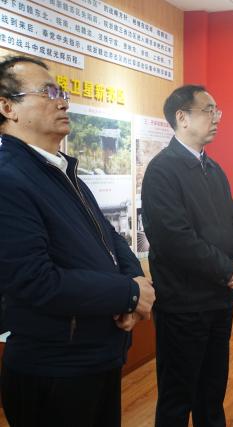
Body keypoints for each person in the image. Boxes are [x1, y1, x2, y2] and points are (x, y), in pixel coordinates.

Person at [0, 54, 155, 426]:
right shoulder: (8, 178)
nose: (63, 102)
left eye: (63, 92)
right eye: (48, 92)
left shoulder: (61, 171)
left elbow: (109, 238)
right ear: (7, 107)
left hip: (97, 356)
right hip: (55, 369)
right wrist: (128, 294)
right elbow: (35, 281)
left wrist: (135, 282)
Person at [141, 84, 233, 427]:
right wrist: (227, 269)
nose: (216, 118)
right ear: (182, 117)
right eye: (208, 110)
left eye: (217, 111)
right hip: (184, 304)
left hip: (219, 300)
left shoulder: (213, 168)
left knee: (212, 390)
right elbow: (175, 239)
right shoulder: (162, 170)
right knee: (178, 396)